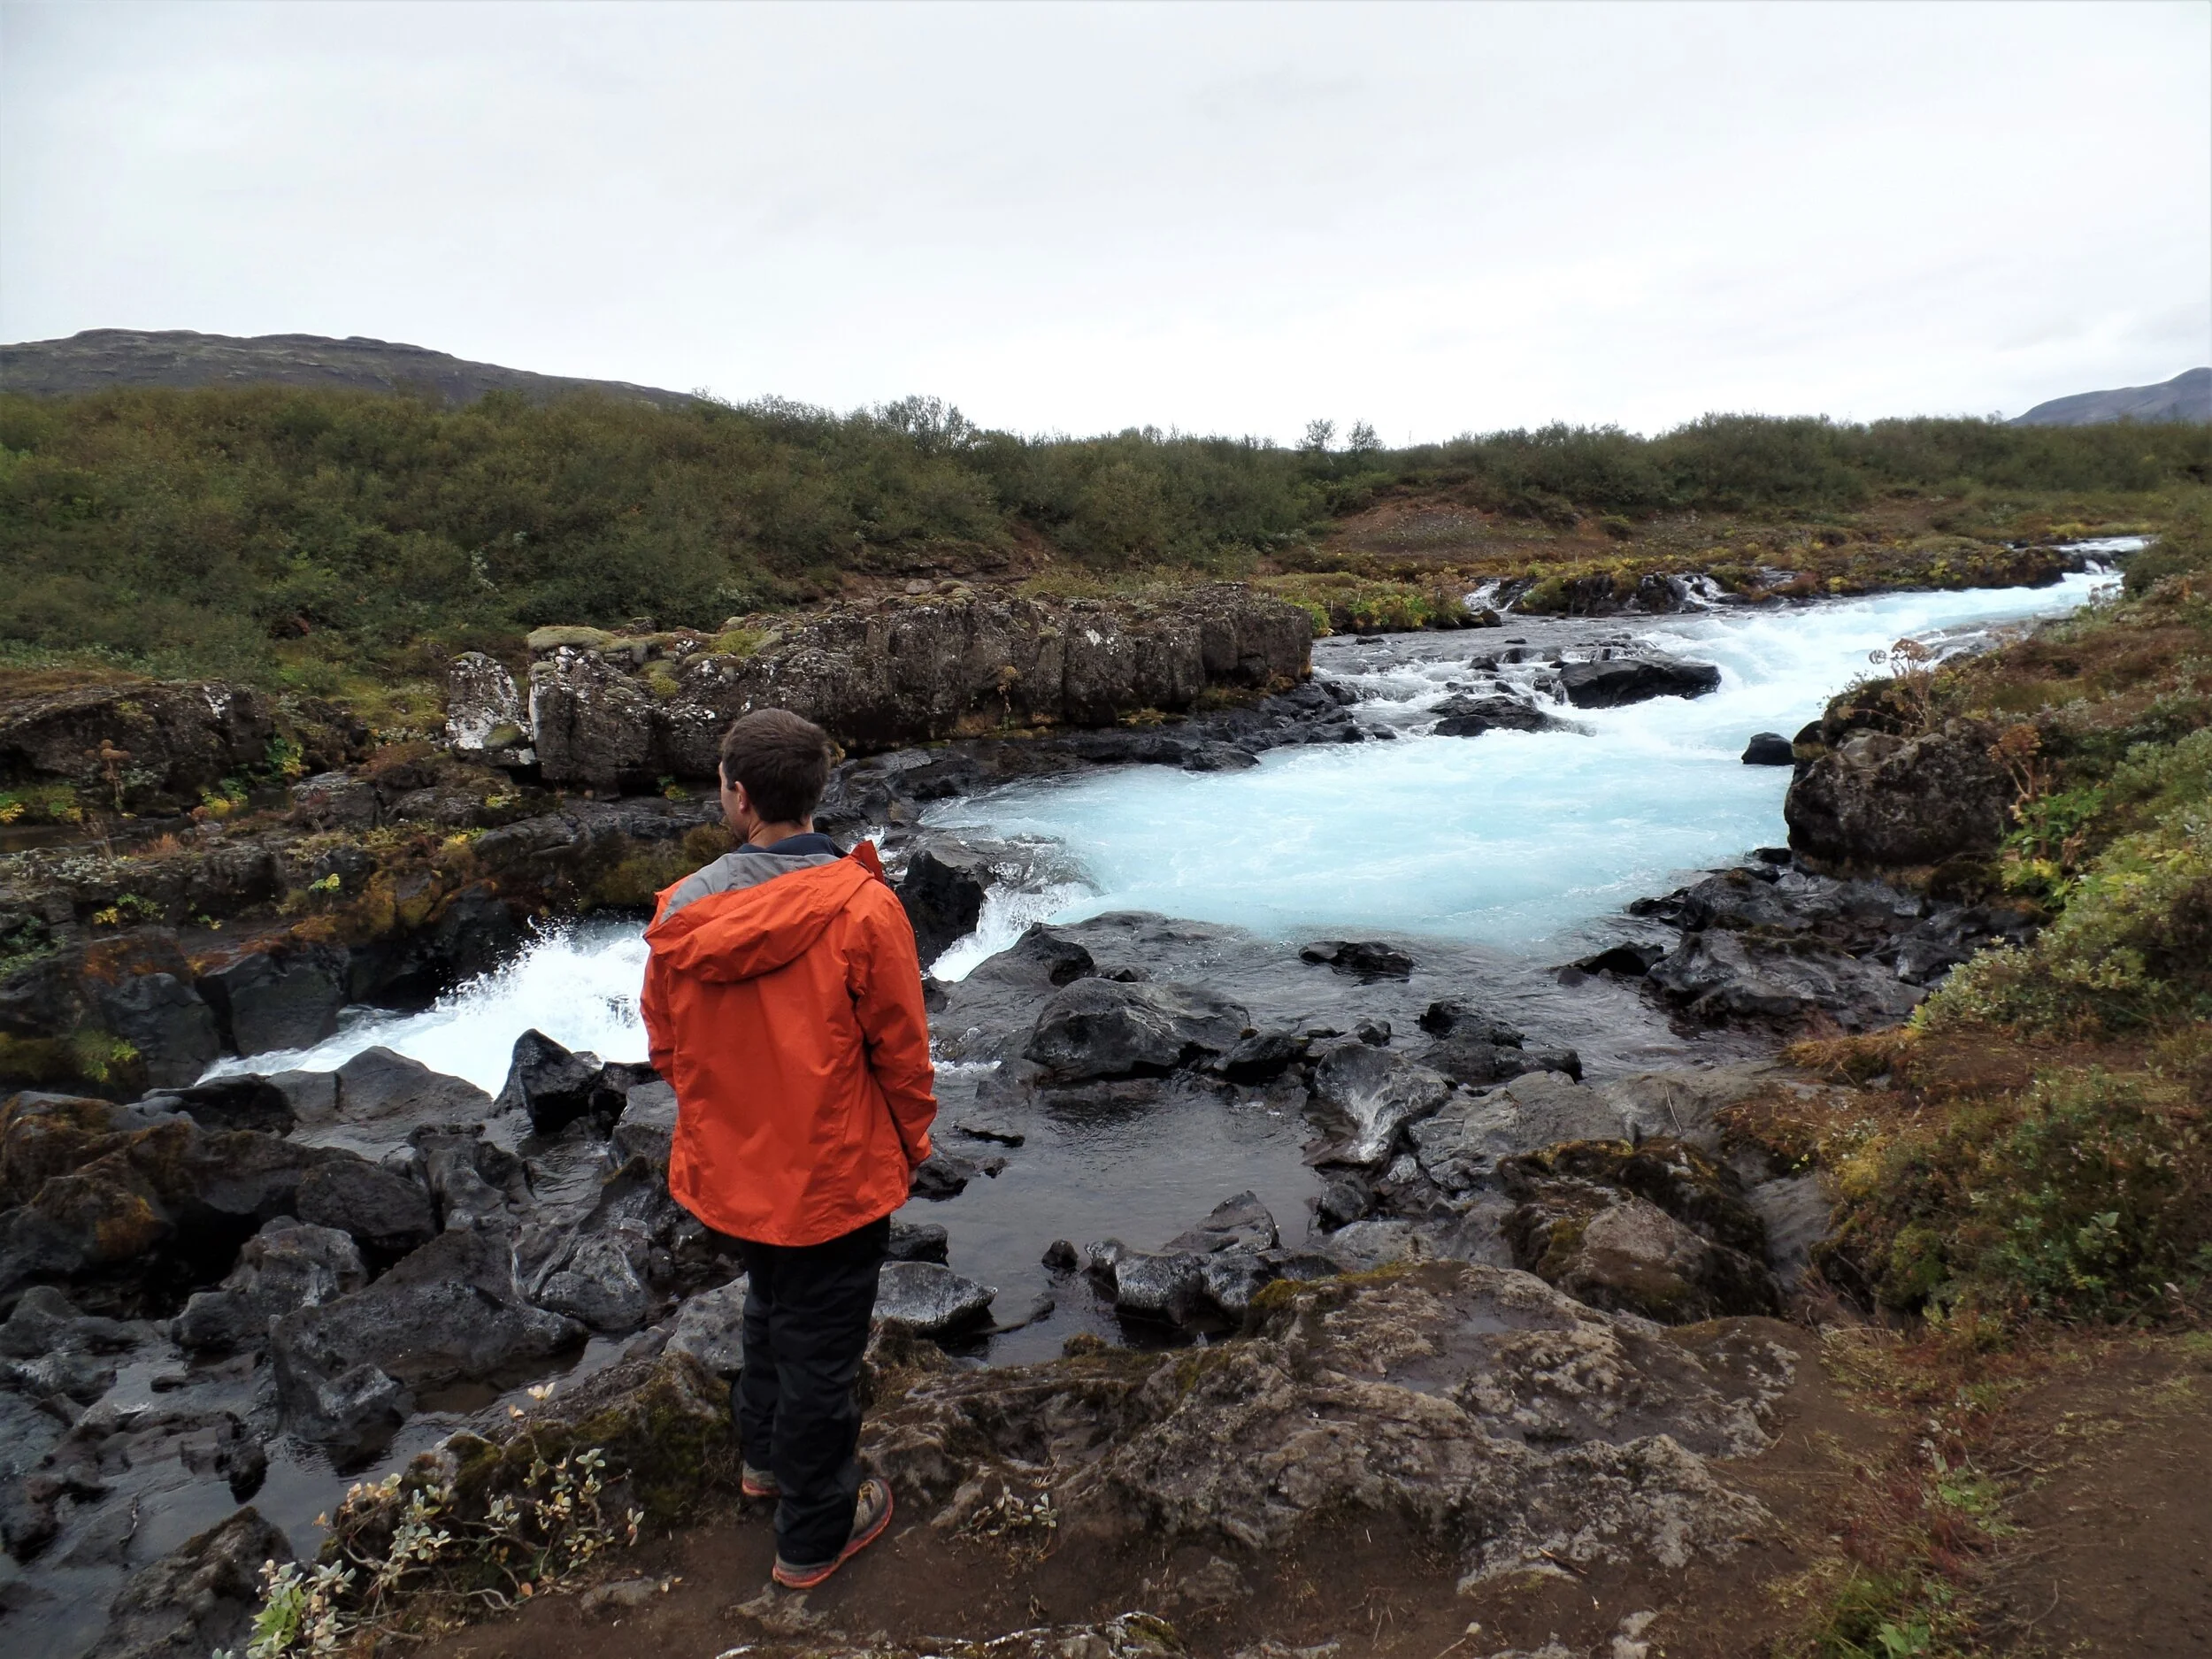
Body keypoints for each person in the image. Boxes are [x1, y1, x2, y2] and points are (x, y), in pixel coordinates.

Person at [640, 708, 937, 1590]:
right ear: (816, 793)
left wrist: (728, 1120)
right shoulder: (863, 906)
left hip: (736, 1169)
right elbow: (903, 1053)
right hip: (834, 1176)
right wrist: (911, 1144)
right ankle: (813, 1535)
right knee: (821, 1351)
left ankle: (764, 1461)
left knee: (769, 1308)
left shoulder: (681, 912)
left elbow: (667, 1048)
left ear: (738, 797)